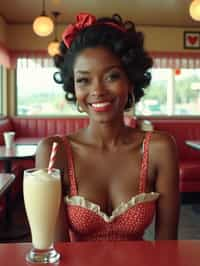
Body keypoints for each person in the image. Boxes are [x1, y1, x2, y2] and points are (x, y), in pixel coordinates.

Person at [36, 12, 180, 241]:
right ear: (73, 86)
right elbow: (57, 251)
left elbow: (168, 245)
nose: (98, 91)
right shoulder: (54, 152)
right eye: (84, 80)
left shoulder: (159, 148)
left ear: (131, 79)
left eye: (111, 76)